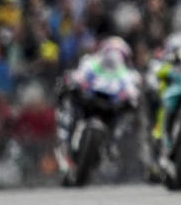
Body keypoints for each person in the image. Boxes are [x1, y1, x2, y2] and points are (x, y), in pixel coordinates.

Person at [54, 35, 142, 179]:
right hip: (88, 101)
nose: (114, 56)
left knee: (131, 115)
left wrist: (132, 100)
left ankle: (112, 144)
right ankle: (64, 137)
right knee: (66, 101)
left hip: (111, 108)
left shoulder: (129, 74)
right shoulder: (90, 62)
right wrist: (69, 82)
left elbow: (134, 93)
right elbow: (76, 76)